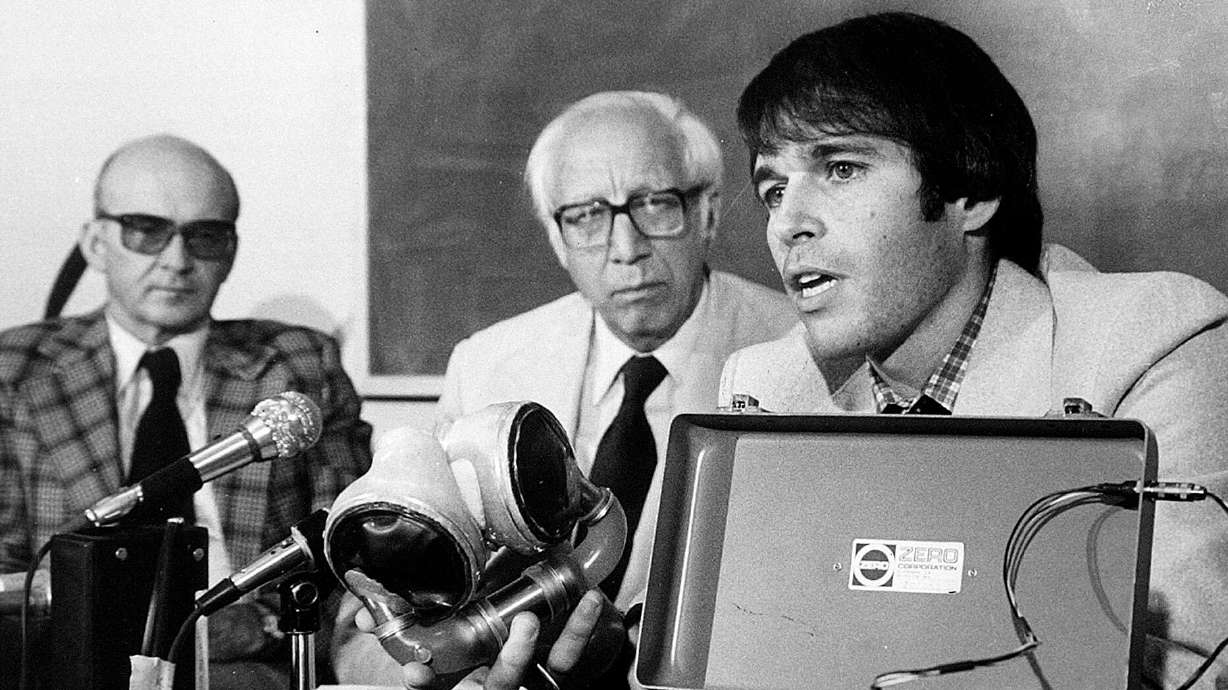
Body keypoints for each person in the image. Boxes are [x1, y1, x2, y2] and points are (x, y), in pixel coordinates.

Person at [717, 12, 1228, 687]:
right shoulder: (764, 388)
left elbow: (1182, 671)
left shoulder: (1148, 341)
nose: (787, 223)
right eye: (773, 188)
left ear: (973, 192)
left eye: (840, 169)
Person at [331, 91, 798, 687]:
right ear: (558, 240)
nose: (626, 250)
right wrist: (446, 674)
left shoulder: (799, 353)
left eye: (656, 205)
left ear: (706, 213)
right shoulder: (487, 365)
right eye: (586, 216)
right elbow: (376, 621)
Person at [0, 134, 373, 686]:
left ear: (231, 252)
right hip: (70, 662)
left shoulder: (299, 366)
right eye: (146, 231)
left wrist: (260, 625)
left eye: (205, 236)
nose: (176, 261)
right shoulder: (18, 370)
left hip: (244, 667)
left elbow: (350, 558)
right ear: (97, 244)